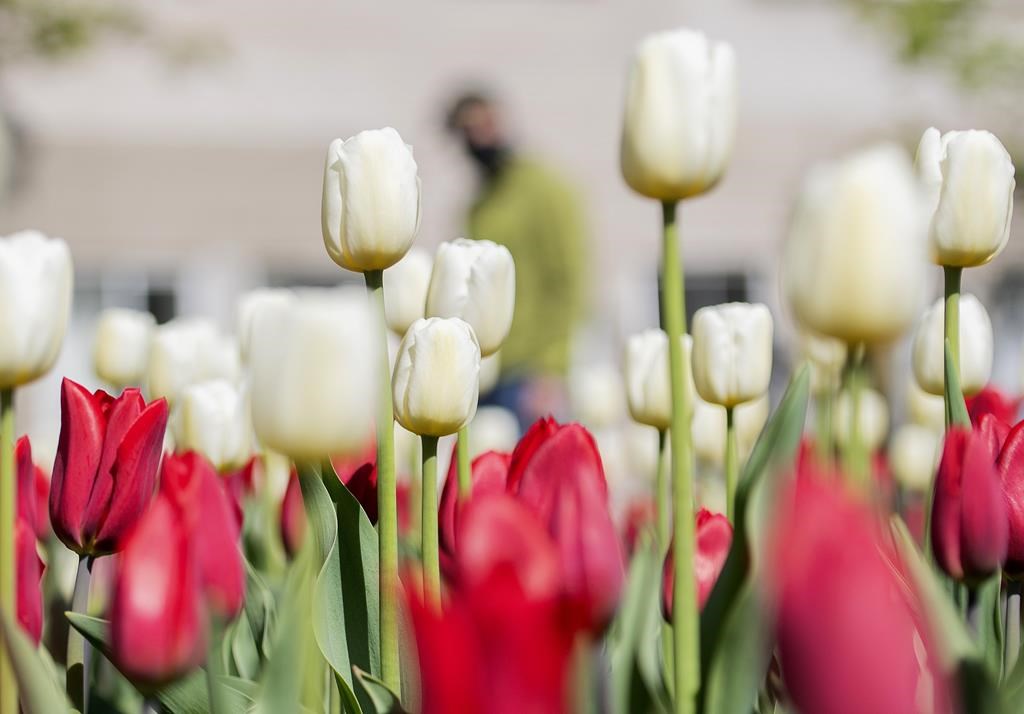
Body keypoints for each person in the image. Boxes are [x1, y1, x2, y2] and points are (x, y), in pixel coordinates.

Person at [446, 90, 589, 429]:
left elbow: (568, 280)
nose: (479, 137)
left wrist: (552, 367)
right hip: (486, 370)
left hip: (531, 370)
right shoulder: (479, 203)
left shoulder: (545, 190)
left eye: (485, 125)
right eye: (467, 131)